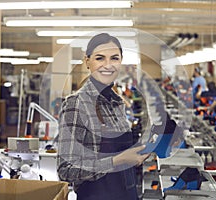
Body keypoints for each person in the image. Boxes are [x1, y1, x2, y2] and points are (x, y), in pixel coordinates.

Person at [57, 33, 149, 200]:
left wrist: (139, 153)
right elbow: (66, 170)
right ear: (87, 61)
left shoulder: (116, 104)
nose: (108, 65)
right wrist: (116, 161)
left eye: (114, 58)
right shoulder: (77, 104)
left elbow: (121, 155)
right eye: (100, 58)